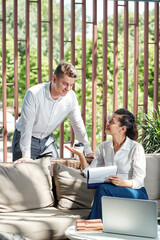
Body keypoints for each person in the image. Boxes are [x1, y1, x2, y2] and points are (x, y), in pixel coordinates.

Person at [65, 108, 149, 220]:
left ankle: (92, 224)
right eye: (109, 120)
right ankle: (96, 225)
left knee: (103, 188)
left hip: (136, 193)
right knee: (103, 187)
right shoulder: (103, 147)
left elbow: (139, 181)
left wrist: (122, 182)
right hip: (112, 191)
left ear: (122, 129)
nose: (107, 123)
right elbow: (90, 173)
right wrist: (81, 155)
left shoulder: (136, 148)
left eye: (112, 122)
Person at [12, 61, 94, 162]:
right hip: (25, 138)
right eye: (65, 84)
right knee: (23, 173)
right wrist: (26, 155)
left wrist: (88, 150)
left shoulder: (71, 97)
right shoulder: (34, 94)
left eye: (71, 85)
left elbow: (77, 124)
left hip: (47, 140)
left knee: (55, 171)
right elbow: (27, 125)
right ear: (54, 79)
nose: (68, 89)